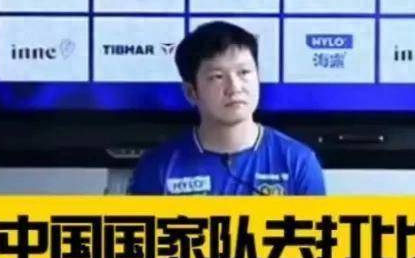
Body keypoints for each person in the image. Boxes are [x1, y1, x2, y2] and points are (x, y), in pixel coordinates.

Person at [128, 21, 325, 195]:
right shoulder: (158, 166)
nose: (235, 87)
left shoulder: (297, 161)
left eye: (244, 72)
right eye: (217, 77)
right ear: (191, 92)